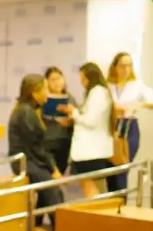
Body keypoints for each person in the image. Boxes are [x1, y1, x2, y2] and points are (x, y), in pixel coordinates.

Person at [8, 73, 63, 231]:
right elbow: (37, 147)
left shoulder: (31, 110)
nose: (47, 92)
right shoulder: (26, 112)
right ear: (34, 92)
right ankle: (64, 230)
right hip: (26, 162)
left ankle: (41, 225)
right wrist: (53, 169)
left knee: (50, 188)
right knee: (52, 189)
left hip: (32, 160)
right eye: (44, 88)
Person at [59, 63, 115, 198]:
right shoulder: (98, 92)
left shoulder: (98, 92)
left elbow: (90, 120)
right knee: (95, 188)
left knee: (92, 188)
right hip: (91, 151)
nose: (82, 82)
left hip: (91, 152)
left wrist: (74, 113)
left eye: (83, 79)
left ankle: (99, 211)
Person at [105, 51, 153, 193]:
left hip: (129, 126)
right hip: (111, 127)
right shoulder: (108, 86)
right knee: (110, 167)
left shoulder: (137, 85)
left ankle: (122, 200)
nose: (126, 69)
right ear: (115, 67)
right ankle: (111, 200)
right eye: (122, 66)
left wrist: (136, 106)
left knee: (123, 164)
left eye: (129, 65)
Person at [43, 66, 76, 175]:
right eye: (53, 79)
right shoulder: (43, 98)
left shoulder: (69, 98)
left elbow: (77, 117)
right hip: (48, 142)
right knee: (51, 174)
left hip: (65, 142)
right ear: (47, 82)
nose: (57, 82)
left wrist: (71, 120)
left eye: (59, 78)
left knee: (61, 172)